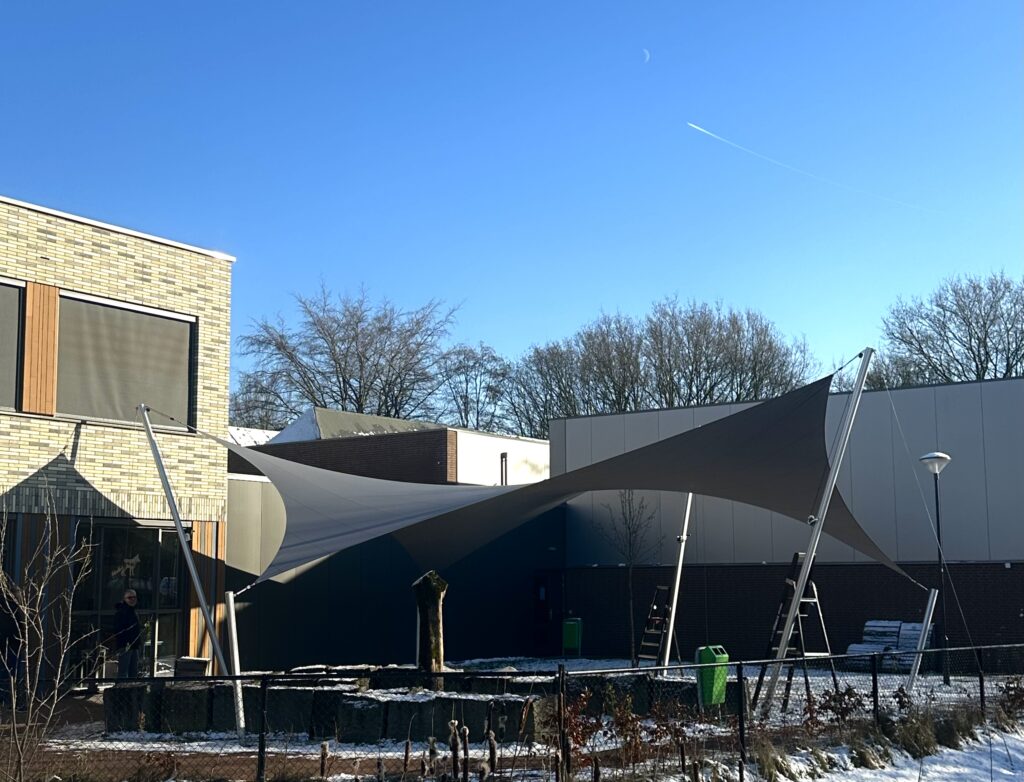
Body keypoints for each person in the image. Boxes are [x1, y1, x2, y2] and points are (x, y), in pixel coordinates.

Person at [113, 589, 142, 679]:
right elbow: (119, 630)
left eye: (134, 597)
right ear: (124, 599)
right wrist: (126, 643)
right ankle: (121, 691)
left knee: (133, 671)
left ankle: (132, 691)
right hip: (125, 645)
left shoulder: (133, 611)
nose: (133, 599)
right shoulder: (122, 612)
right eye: (130, 597)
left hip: (134, 645)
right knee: (123, 671)